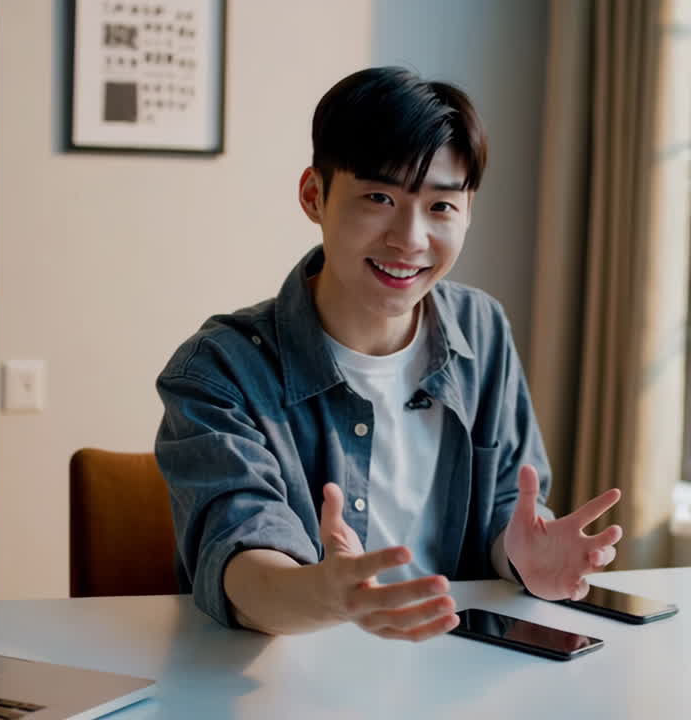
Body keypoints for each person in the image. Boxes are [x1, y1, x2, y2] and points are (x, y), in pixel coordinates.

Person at [155, 67, 622, 642]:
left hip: (455, 665)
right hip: (287, 672)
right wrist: (326, 595)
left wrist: (521, 555)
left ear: (468, 210)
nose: (410, 240)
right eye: (379, 198)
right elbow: (241, 559)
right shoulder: (220, 368)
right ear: (314, 196)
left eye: (441, 206)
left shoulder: (481, 328)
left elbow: (508, 505)